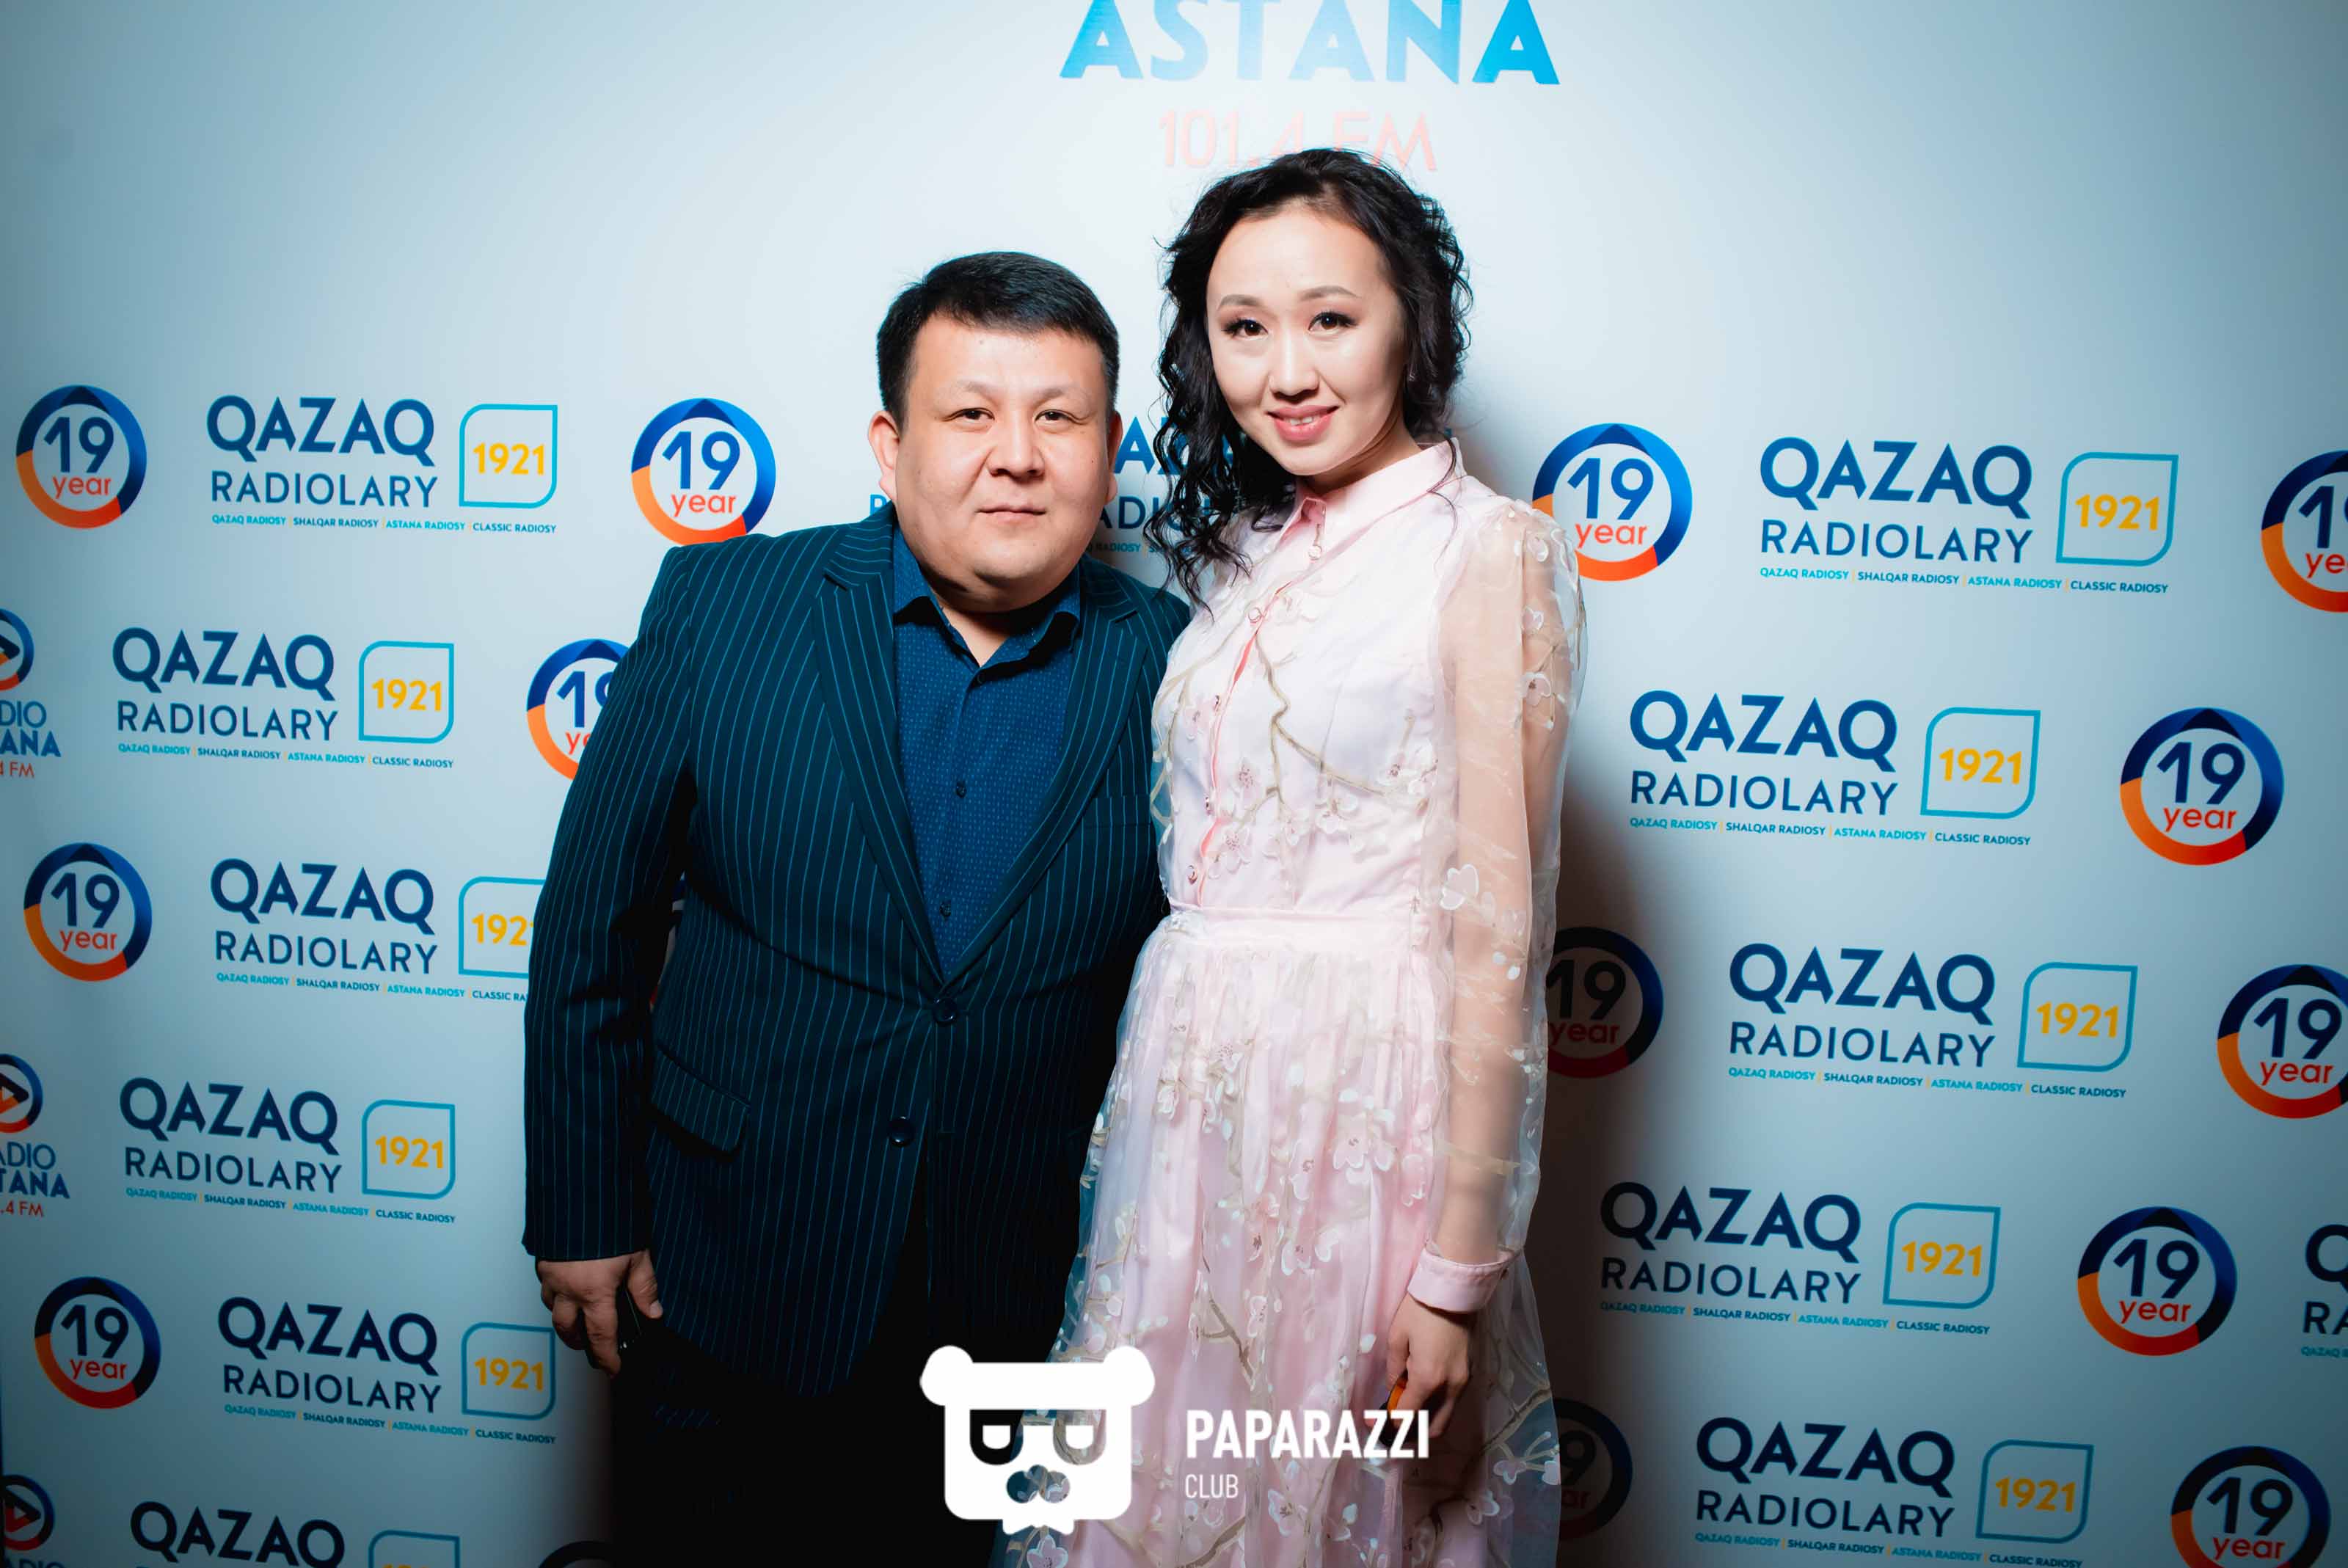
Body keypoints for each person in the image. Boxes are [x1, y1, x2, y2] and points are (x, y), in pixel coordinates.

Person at [522, 251, 1190, 1564]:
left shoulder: (1179, 665)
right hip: (728, 1281)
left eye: (1058, 418)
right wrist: (585, 1211)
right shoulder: (727, 607)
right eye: (970, 412)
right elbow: (594, 928)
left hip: (1024, 1318)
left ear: (1110, 449)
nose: (1016, 456)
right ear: (890, 446)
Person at [1005, 150, 1585, 1567]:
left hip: (1361, 1100)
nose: (1287, 370)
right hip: (1192, 1089)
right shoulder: (1250, 548)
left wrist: (1456, 1267)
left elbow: (1498, 934)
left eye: (1331, 318)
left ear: (1412, 324)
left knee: (1334, 1500)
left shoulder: (1488, 551)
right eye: (1244, 326)